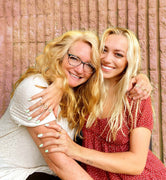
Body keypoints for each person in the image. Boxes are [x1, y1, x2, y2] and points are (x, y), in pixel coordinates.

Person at [38, 27, 166, 179]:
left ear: (128, 61)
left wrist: (75, 151)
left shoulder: (135, 96)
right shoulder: (85, 87)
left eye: (118, 54)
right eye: (104, 50)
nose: (107, 59)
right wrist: (59, 83)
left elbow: (136, 164)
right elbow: (58, 68)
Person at [0, 30, 103, 180]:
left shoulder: (78, 96)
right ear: (60, 56)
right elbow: (59, 163)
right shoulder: (35, 89)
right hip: (12, 174)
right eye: (74, 58)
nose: (80, 69)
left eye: (89, 65)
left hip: (47, 174)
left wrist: (140, 81)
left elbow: (118, 76)